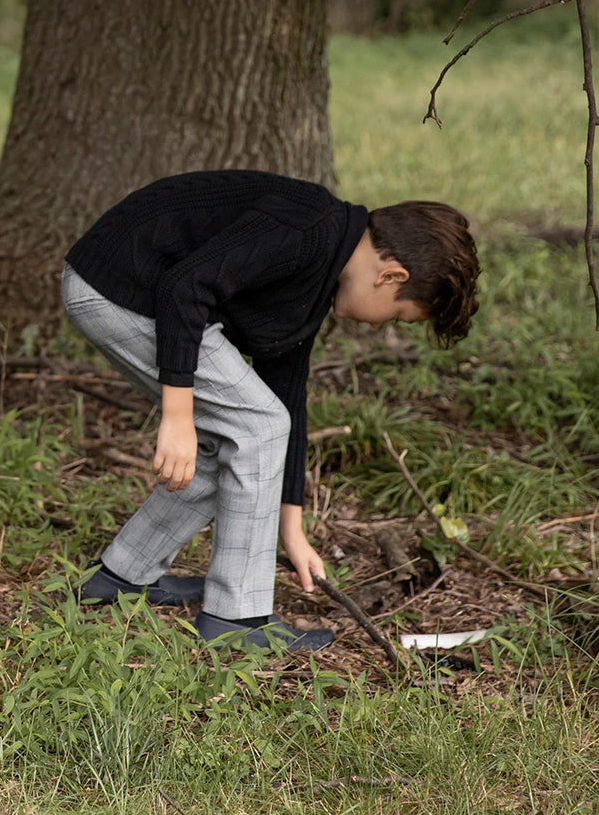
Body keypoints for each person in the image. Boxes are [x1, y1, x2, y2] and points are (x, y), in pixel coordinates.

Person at [63, 170, 479, 652]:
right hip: (119, 289)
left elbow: (286, 397)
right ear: (391, 276)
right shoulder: (306, 228)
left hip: (136, 295)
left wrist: (292, 528)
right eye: (400, 316)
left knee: (248, 428)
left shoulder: (321, 270)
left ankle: (120, 576)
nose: (383, 324)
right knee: (257, 427)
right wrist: (177, 418)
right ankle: (236, 619)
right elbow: (184, 287)